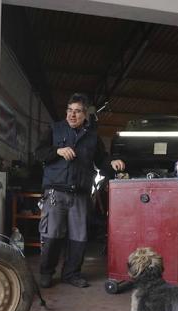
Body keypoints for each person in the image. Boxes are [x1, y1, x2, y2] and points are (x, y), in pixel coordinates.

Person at [35, 93, 125, 288]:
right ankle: (46, 272)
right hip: (55, 193)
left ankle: (71, 273)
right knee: (52, 235)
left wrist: (113, 162)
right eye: (69, 110)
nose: (72, 115)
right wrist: (57, 151)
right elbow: (39, 152)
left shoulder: (93, 138)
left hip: (81, 194)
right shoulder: (54, 129)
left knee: (79, 237)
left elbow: (102, 161)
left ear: (85, 115)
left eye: (77, 111)